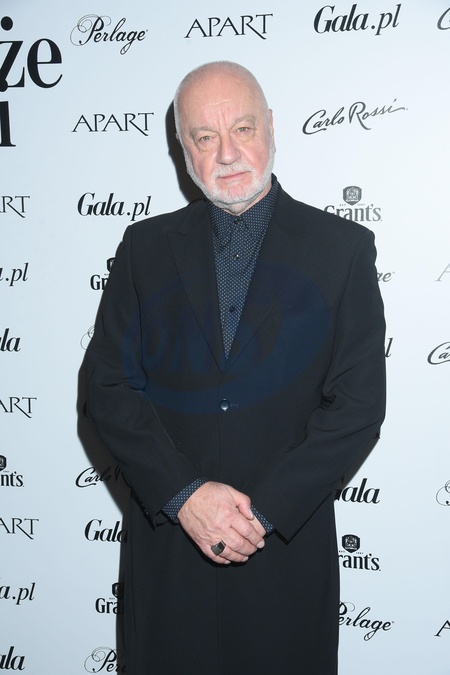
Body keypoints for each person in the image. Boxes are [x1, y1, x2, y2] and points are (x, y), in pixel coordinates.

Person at [85, 61, 386, 674]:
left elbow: (357, 406)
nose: (227, 153)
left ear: (270, 126)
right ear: (183, 149)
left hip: (285, 557)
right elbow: (107, 389)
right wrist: (185, 496)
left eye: (242, 128)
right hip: (170, 556)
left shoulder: (342, 249)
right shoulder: (143, 248)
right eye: (204, 136)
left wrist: (260, 513)